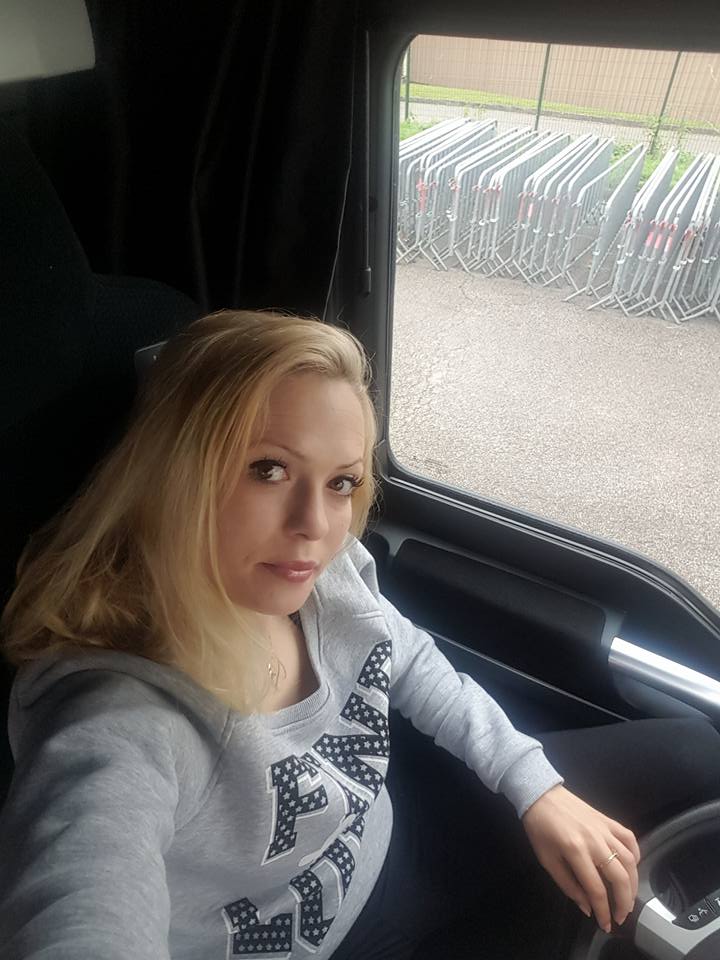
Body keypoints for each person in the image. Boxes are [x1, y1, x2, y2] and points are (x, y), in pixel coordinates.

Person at [0, 309, 717, 960]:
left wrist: (536, 789)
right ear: (172, 475)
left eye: (341, 482)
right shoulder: (123, 720)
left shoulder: (327, 570)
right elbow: (81, 897)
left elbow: (407, 659)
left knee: (697, 752)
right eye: (268, 470)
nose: (315, 524)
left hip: (397, 845)